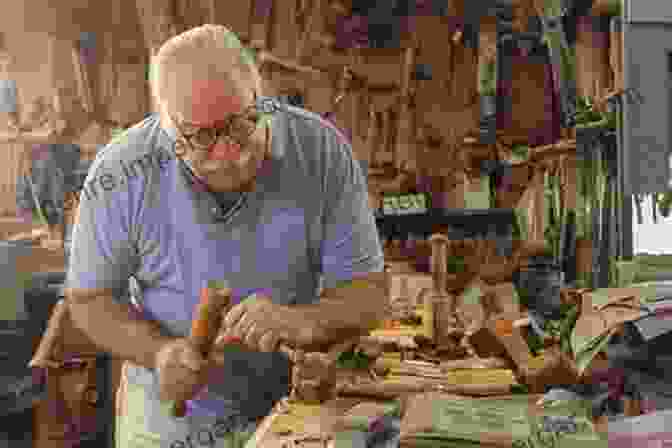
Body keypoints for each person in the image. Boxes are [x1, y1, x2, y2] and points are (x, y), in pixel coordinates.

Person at [65, 24, 386, 448]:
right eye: (201, 137)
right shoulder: (121, 173)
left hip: (292, 416)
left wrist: (302, 321)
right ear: (166, 128)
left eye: (239, 124)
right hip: (170, 425)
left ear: (260, 95)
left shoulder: (321, 152)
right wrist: (159, 353)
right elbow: (89, 300)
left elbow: (368, 293)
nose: (227, 154)